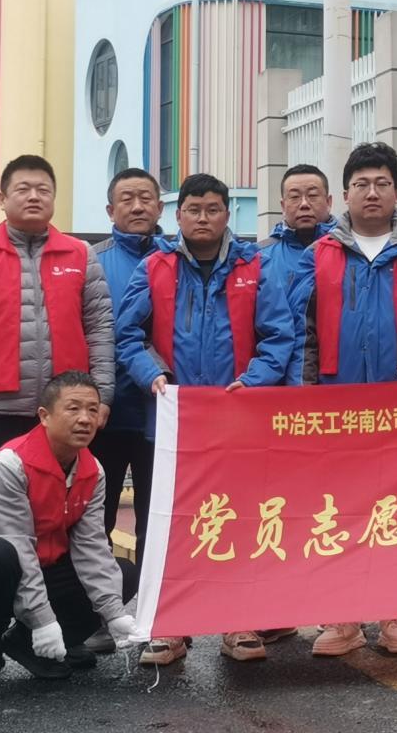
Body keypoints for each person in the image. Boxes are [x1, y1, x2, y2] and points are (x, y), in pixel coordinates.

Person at [290, 141, 397, 656]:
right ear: (344, 195)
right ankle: (342, 618)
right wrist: (305, 396)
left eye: (382, 183)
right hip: (337, 405)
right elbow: (302, 334)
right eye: (361, 184)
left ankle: (395, 614)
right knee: (338, 511)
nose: (372, 192)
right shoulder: (319, 255)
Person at [116, 172, 294, 665]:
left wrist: (254, 381)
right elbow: (128, 335)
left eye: (213, 209)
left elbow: (279, 336)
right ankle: (170, 627)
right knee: (170, 523)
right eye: (193, 209)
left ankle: (240, 623)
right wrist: (152, 374)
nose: (202, 218)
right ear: (178, 216)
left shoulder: (255, 266)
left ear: (226, 214)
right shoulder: (155, 267)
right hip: (173, 421)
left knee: (239, 521)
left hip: (237, 418)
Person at [0, 371, 138, 701]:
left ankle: (28, 645)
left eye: (93, 409)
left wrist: (114, 614)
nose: (85, 419)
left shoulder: (93, 471)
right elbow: (18, 547)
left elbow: (91, 548)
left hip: (41, 567)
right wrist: (44, 620)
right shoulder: (8, 464)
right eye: (73, 408)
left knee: (123, 571)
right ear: (44, 416)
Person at [0, 155, 116, 479]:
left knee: (61, 497)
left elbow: (100, 330)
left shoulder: (81, 254)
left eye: (43, 190)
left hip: (66, 408)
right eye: (23, 189)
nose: (34, 197)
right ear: (2, 199)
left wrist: (102, 397)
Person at [89, 168, 171, 566]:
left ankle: (151, 600)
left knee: (158, 519)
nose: (137, 207)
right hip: (107, 413)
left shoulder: (179, 258)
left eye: (145, 198)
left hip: (164, 414)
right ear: (110, 210)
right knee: (96, 518)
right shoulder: (92, 262)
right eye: (127, 199)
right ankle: (99, 599)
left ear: (160, 206)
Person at [259, 163, 336, 307]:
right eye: (294, 197)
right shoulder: (260, 256)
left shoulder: (350, 248)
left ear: (328, 202)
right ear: (283, 206)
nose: (304, 204)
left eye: (313, 195)